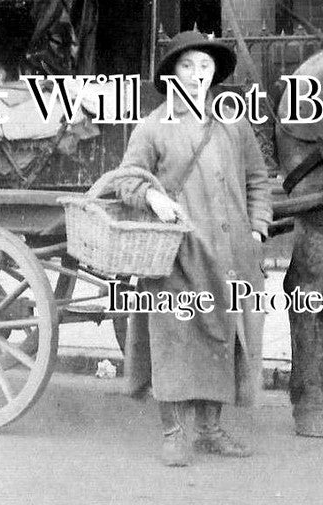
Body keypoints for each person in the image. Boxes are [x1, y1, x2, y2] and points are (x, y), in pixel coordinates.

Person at [115, 30, 272, 467]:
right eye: (187, 66)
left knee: (224, 340)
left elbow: (258, 180)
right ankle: (173, 432)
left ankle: (210, 429)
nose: (197, 75)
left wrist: (257, 229)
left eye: (205, 67)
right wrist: (153, 197)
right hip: (178, 257)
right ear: (171, 74)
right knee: (174, 341)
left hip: (230, 257)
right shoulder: (151, 128)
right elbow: (127, 178)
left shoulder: (233, 125)